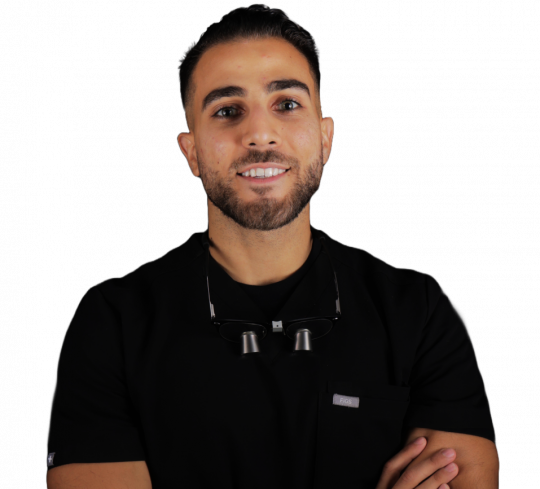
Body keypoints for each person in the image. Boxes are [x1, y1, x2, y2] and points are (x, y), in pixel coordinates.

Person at [46, 4, 499, 488]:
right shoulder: (112, 321)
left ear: (325, 138)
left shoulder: (419, 310)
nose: (259, 134)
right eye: (227, 111)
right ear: (191, 152)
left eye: (287, 104)